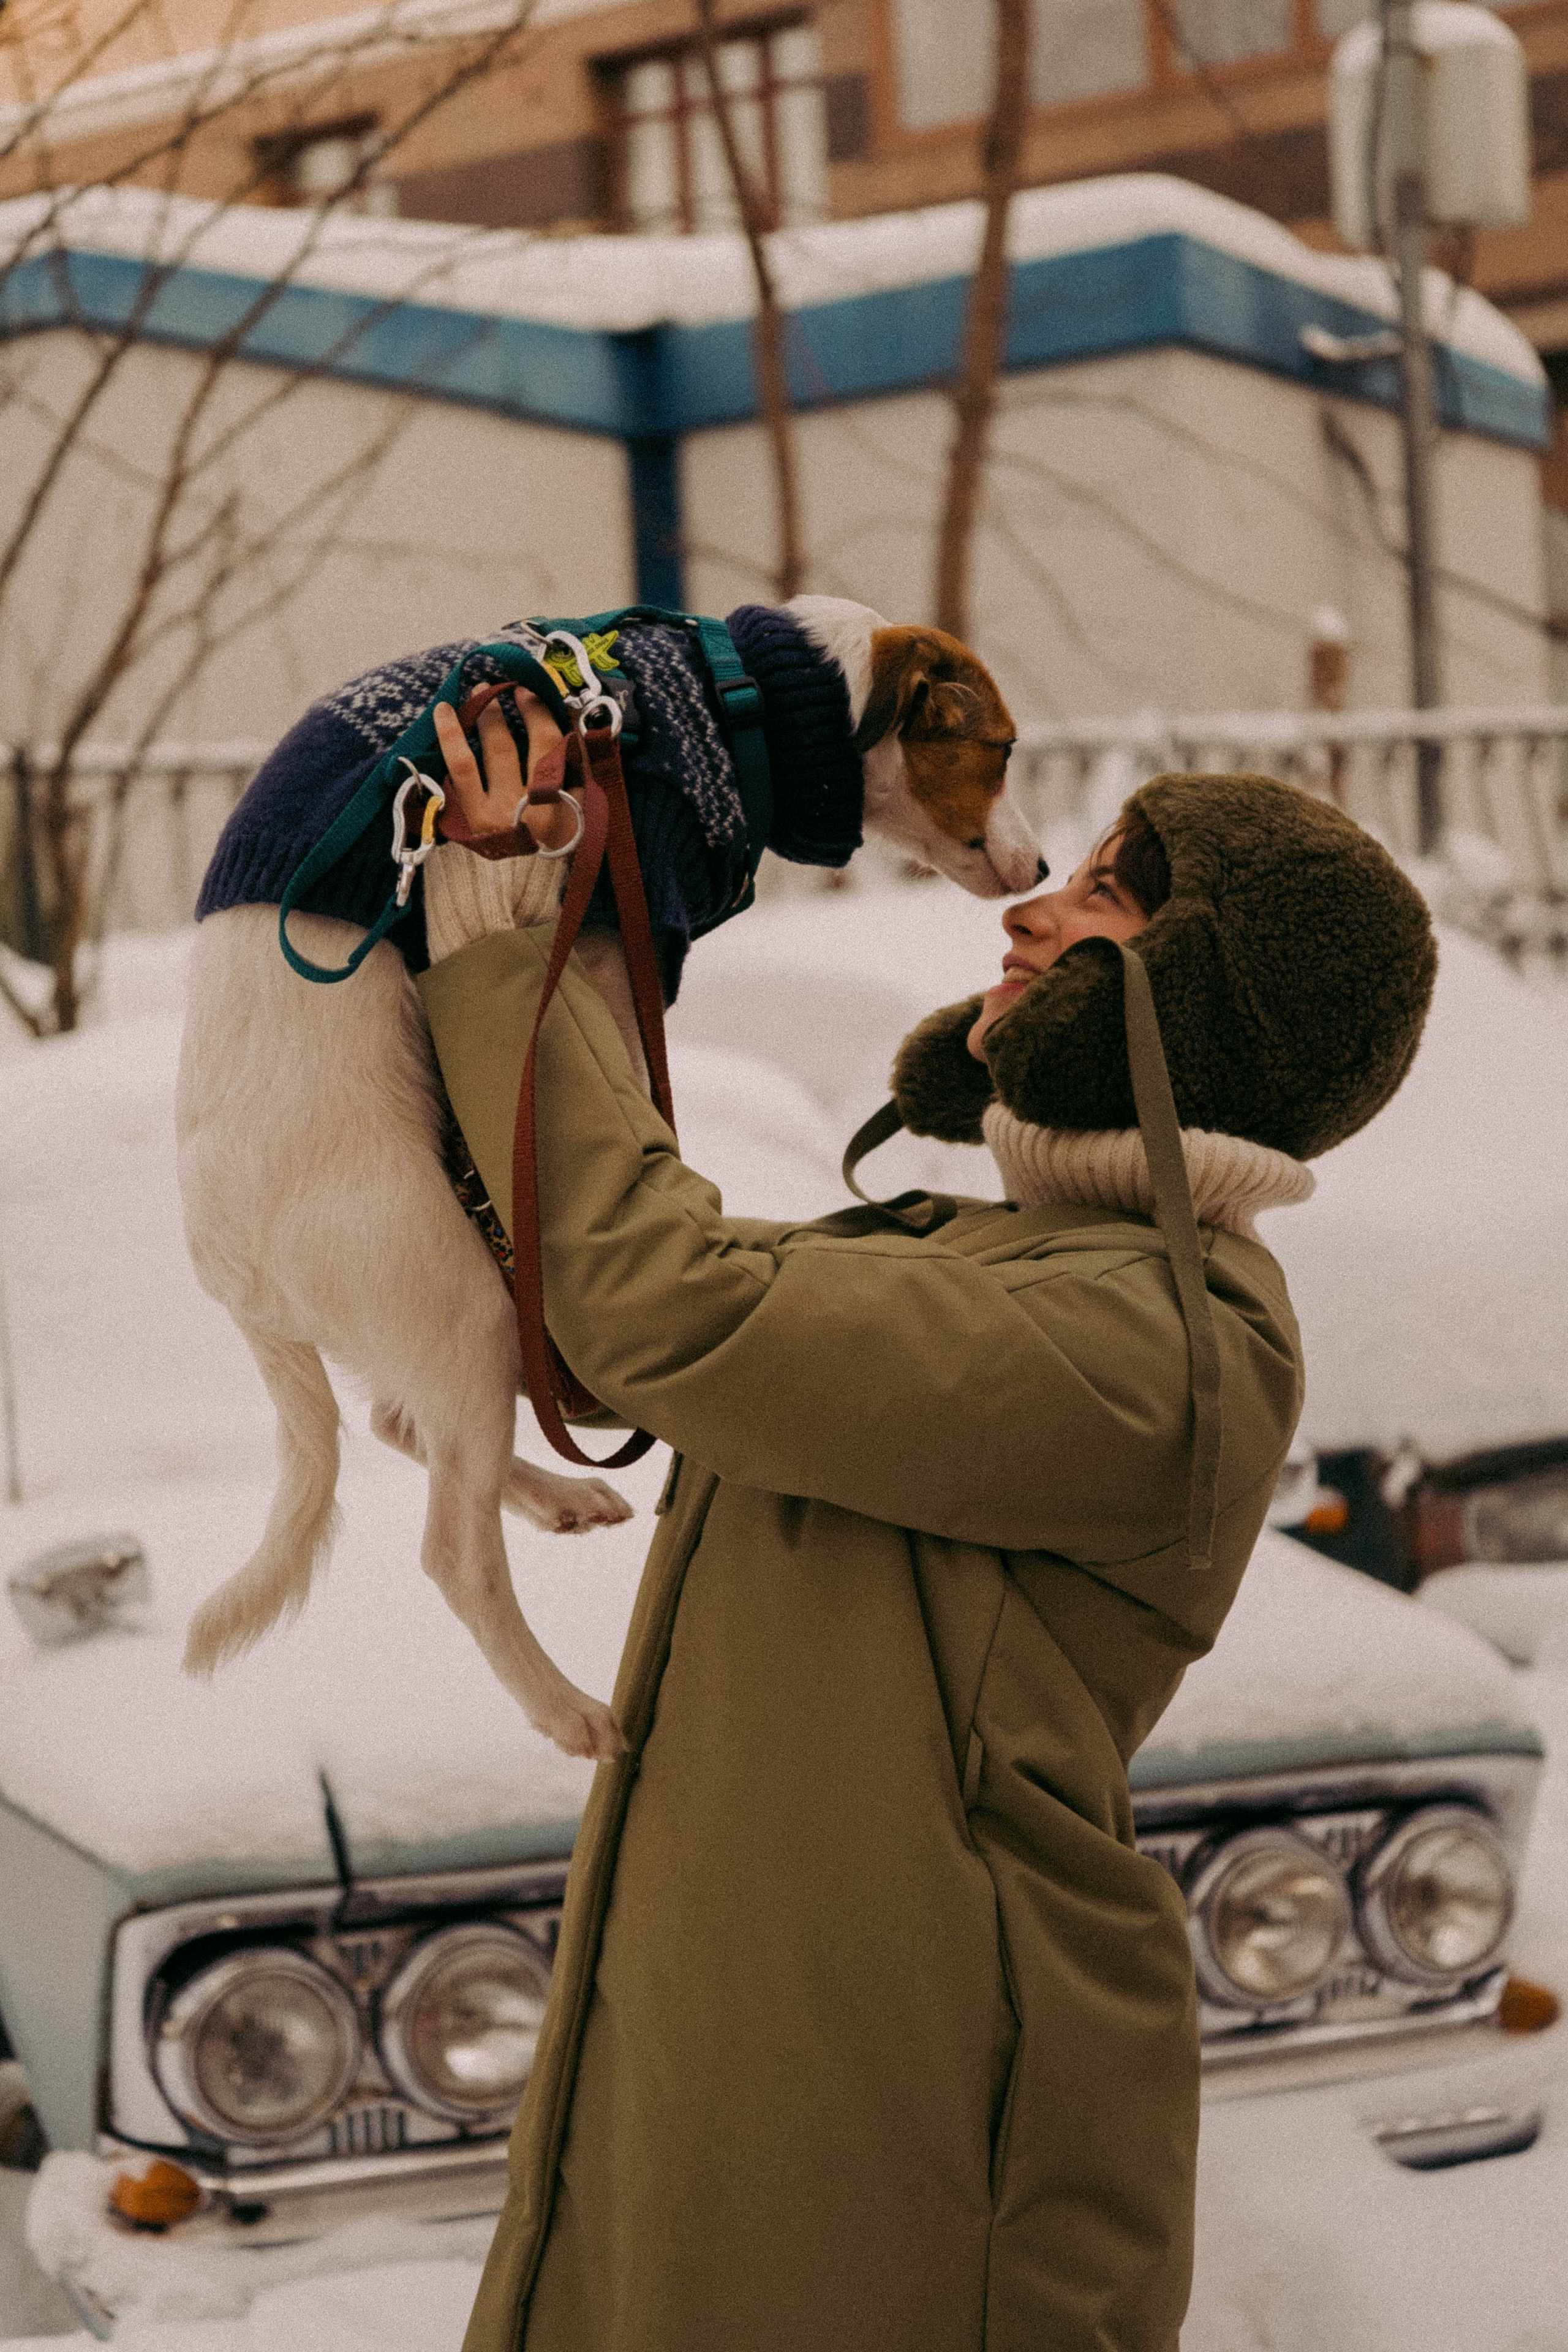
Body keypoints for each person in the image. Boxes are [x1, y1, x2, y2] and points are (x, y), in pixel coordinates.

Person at [417, 695, 1437, 2352]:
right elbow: (657, 1324)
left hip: (922, 2133)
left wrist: (498, 945)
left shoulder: (1161, 1347)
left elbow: (669, 1312)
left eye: (1107, 894)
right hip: (779, 2061)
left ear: (1199, 999)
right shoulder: (1000, 1264)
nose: (1026, 912)